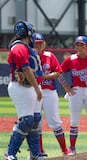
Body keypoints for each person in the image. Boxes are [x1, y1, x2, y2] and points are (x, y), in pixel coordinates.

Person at [5, 21, 46, 160]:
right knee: (27, 120)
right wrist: (37, 88)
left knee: (35, 119)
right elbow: (26, 69)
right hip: (22, 86)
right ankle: (10, 153)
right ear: (28, 33)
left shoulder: (25, 47)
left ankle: (35, 154)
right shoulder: (18, 47)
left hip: (31, 86)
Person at [32, 33, 74, 156]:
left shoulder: (50, 55)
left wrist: (44, 77)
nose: (38, 45)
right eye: (36, 43)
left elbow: (58, 72)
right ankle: (39, 151)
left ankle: (65, 150)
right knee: (36, 123)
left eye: (40, 43)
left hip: (49, 92)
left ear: (44, 44)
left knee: (55, 121)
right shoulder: (29, 57)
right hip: (34, 92)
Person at [61, 36, 87, 154]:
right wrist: (66, 87)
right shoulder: (71, 59)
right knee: (74, 121)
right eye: (77, 45)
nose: (79, 47)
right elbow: (58, 72)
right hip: (76, 91)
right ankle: (72, 148)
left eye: (82, 45)